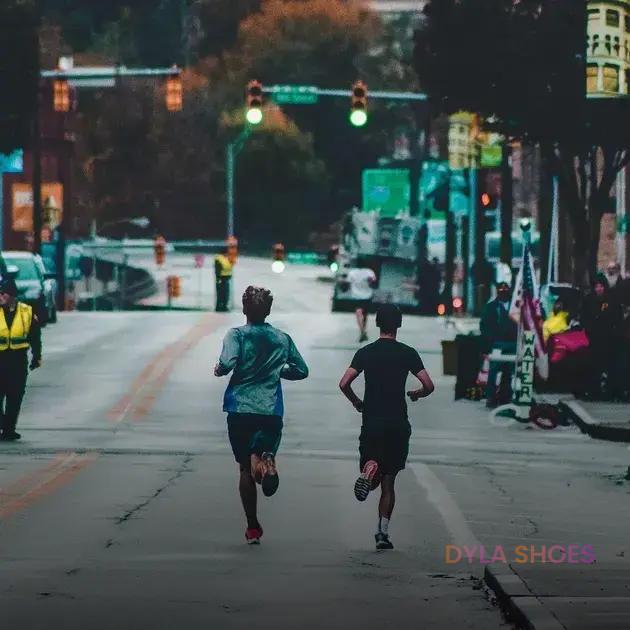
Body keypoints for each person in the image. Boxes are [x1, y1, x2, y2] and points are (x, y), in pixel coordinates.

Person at [214, 286, 308, 544]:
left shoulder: (237, 335)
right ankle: (267, 464)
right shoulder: (282, 338)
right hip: (270, 410)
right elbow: (301, 370)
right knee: (262, 452)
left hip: (240, 408)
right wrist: (278, 372)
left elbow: (228, 362)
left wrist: (220, 369)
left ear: (245, 309)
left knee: (245, 468)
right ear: (267, 310)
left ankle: (253, 526)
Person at [338, 304, 434, 550]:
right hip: (397, 424)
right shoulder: (408, 353)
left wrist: (357, 402)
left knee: (374, 473)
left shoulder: (366, 352)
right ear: (398, 325)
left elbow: (344, 382)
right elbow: (428, 384)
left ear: (378, 324)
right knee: (389, 483)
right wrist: (417, 393)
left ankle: (370, 468)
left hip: (372, 421)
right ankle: (382, 534)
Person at [0, 277, 42, 441]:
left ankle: (9, 429)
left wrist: (36, 357)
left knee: (15, 395)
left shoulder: (26, 312)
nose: (0, 297)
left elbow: (35, 336)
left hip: (17, 361)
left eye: (3, 293)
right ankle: (3, 423)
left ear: (12, 295)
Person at [581, 274, 622, 398]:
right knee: (593, 366)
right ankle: (593, 390)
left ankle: (610, 391)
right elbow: (584, 316)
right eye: (596, 287)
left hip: (609, 338)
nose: (599, 289)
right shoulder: (588, 300)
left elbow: (617, 317)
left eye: (601, 286)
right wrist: (588, 328)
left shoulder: (612, 300)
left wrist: (614, 330)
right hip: (593, 338)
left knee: (609, 365)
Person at [479, 282, 518, 407]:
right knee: (494, 370)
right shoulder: (491, 307)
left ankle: (505, 396)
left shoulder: (515, 307)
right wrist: (487, 344)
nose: (503, 294)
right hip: (497, 343)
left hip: (512, 343)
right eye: (501, 292)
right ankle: (491, 397)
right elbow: (484, 326)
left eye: (505, 292)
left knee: (508, 370)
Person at [347, 263, 377, 342]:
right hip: (367, 296)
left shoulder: (352, 272)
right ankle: (363, 332)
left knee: (359, 314)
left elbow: (348, 282)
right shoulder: (369, 272)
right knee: (365, 315)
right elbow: (373, 280)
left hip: (356, 296)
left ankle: (362, 332)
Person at [214, 248, 233, 312]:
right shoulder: (219, 259)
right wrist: (218, 278)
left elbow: (228, 268)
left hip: (226, 278)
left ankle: (224, 306)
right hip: (221, 278)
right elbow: (217, 269)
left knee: (226, 294)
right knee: (220, 294)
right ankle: (219, 307)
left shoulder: (226, 259)